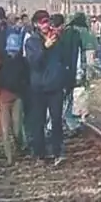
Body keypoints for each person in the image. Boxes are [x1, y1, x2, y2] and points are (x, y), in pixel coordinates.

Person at [24, 10, 66, 165]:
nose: (46, 25)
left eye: (47, 21)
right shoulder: (31, 41)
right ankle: (40, 153)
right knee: (39, 122)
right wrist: (45, 47)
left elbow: (62, 59)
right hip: (38, 88)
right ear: (35, 24)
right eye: (42, 22)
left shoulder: (57, 39)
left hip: (55, 86)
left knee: (56, 121)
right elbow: (34, 63)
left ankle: (58, 152)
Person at [0, 14, 29, 164]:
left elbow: (26, 80)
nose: (12, 53)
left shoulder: (22, 62)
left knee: (17, 128)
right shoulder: (1, 63)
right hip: (3, 99)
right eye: (10, 50)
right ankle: (9, 159)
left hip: (17, 98)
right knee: (6, 131)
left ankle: (21, 146)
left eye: (14, 50)